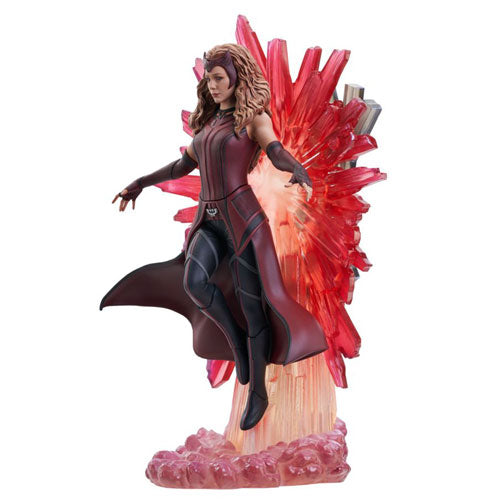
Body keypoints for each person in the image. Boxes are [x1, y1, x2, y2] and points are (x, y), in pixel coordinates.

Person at [101, 43, 328, 431]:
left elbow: (275, 151)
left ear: (237, 78)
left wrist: (297, 168)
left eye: (219, 77)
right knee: (193, 281)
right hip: (208, 221)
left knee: (256, 309)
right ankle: (236, 342)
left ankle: (258, 392)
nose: (212, 84)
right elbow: (180, 166)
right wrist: (141, 183)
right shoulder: (207, 125)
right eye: (209, 78)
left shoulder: (253, 120)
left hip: (244, 221)